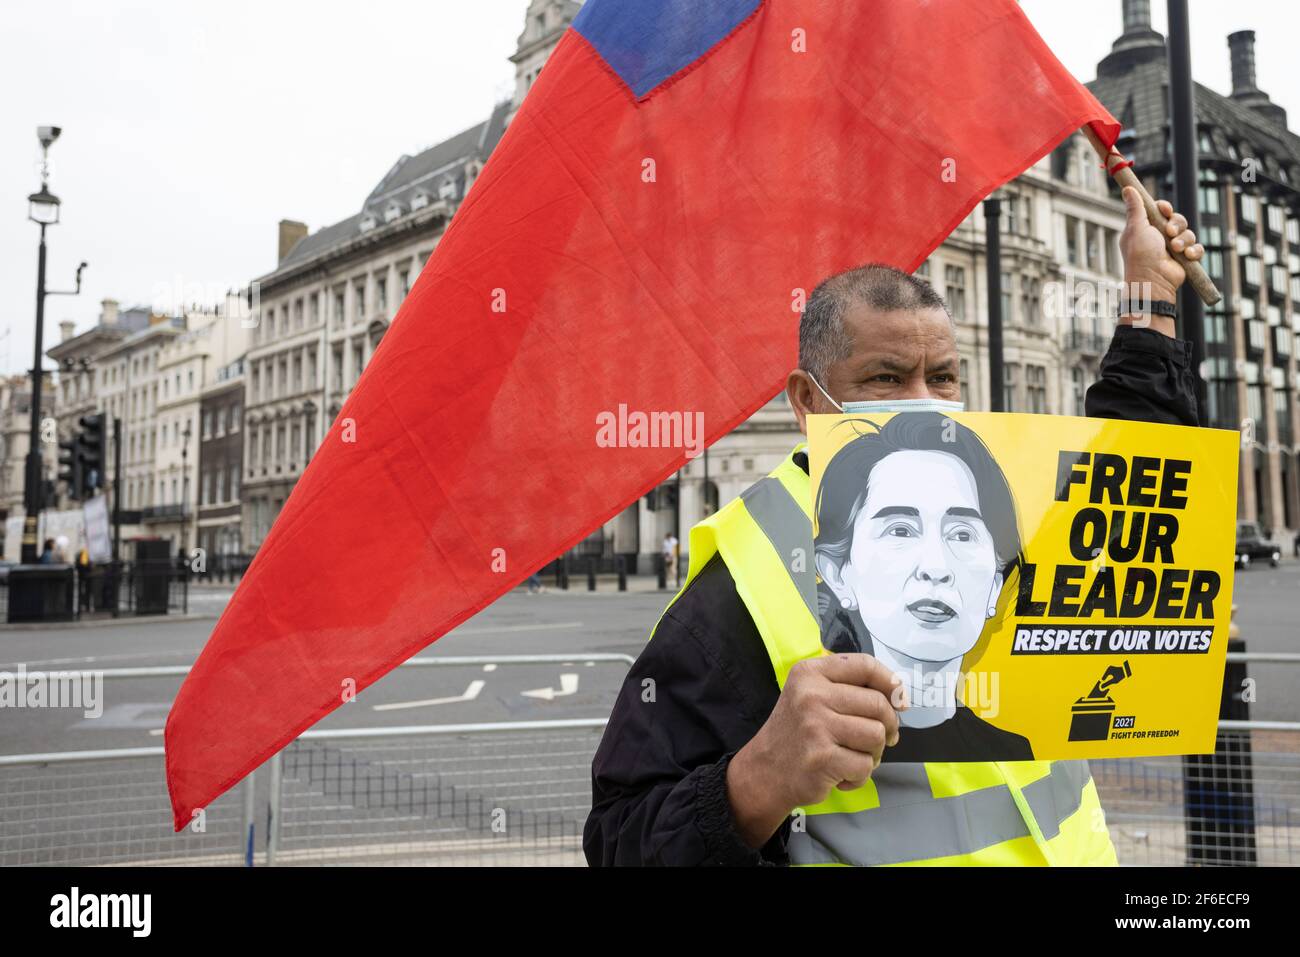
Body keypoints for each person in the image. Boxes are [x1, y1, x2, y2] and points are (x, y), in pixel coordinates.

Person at [585, 186, 1204, 866]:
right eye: (885, 377)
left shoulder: (1001, 496)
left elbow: (1131, 475)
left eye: (941, 377)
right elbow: (623, 837)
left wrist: (1150, 287)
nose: (922, 403)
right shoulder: (742, 577)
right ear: (807, 400)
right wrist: (758, 777)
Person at [815, 412, 1033, 761]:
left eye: (962, 534)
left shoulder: (1018, 750)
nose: (936, 567)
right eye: (900, 530)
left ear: (996, 585)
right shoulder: (810, 751)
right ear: (838, 572)